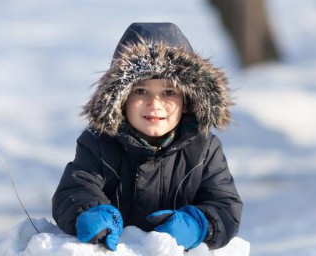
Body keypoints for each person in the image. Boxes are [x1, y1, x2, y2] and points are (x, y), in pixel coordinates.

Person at [51, 22, 242, 251]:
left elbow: (224, 204)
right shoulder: (98, 143)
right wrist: (91, 212)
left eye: (169, 92)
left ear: (188, 99)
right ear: (120, 98)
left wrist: (197, 224)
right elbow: (75, 189)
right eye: (141, 91)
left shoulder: (203, 149)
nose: (155, 104)